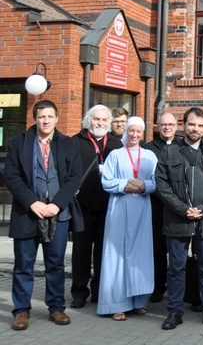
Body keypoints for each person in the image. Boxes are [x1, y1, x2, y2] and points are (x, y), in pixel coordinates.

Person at [5, 99, 83, 330]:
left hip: (57, 214)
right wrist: (32, 202)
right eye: (41, 116)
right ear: (35, 119)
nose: (46, 120)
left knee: (56, 265)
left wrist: (57, 204)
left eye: (50, 116)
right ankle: (21, 311)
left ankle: (56, 308)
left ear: (56, 119)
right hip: (27, 213)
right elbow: (11, 176)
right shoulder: (19, 143)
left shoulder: (69, 144)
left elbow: (74, 177)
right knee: (23, 265)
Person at [155, 107, 203, 330]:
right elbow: (162, 185)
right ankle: (174, 312)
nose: (195, 129)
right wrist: (183, 209)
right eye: (191, 124)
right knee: (176, 268)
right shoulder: (169, 152)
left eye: (199, 125)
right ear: (183, 125)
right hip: (177, 220)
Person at [97, 117, 158, 320]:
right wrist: (128, 184)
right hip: (119, 208)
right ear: (126, 132)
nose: (134, 135)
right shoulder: (115, 155)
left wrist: (143, 186)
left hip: (141, 208)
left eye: (138, 132)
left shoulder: (150, 156)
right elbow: (107, 181)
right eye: (131, 131)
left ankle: (138, 301)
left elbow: (157, 181)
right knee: (117, 254)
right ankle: (117, 303)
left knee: (139, 254)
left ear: (142, 133)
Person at [70, 105, 123, 309]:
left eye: (104, 120)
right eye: (96, 119)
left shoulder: (116, 145)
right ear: (88, 120)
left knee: (103, 252)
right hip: (82, 207)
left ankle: (99, 291)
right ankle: (79, 292)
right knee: (81, 252)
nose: (100, 123)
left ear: (109, 124)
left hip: (109, 207)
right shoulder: (75, 142)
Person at [144, 112, 180, 303]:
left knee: (177, 251)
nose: (167, 127)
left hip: (178, 208)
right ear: (157, 126)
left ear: (176, 125)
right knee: (158, 249)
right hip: (156, 206)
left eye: (170, 124)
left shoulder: (182, 146)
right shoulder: (148, 148)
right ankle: (158, 287)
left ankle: (177, 288)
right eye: (163, 124)